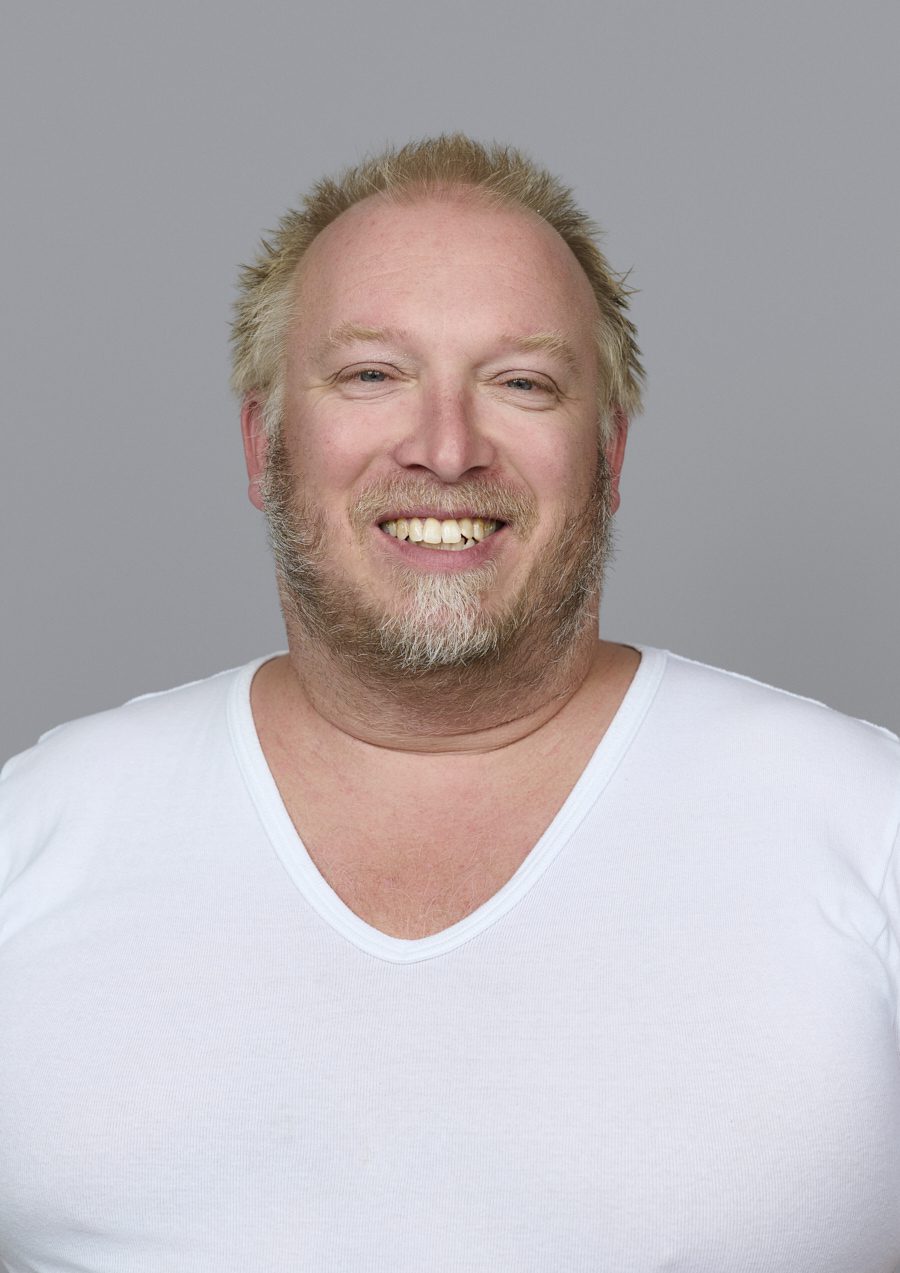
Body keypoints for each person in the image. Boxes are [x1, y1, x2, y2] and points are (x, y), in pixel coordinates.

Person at [1, 135, 898, 1272]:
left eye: (521, 383)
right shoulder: (36, 834)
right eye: (372, 375)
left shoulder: (868, 826)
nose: (446, 448)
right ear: (264, 443)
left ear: (609, 454)